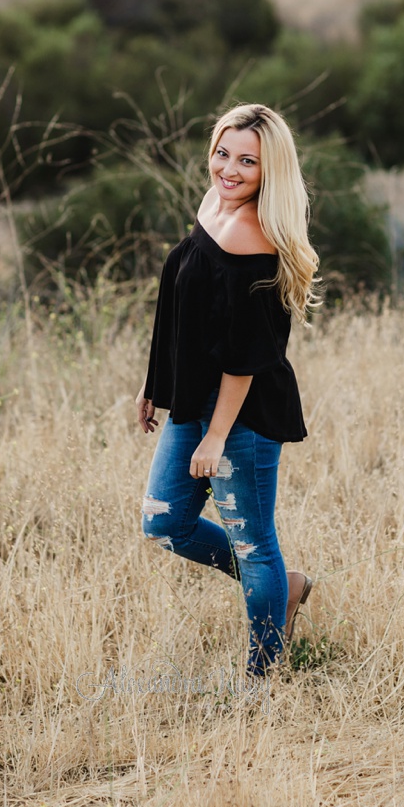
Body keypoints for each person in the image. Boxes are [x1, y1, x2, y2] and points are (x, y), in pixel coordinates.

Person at [137, 103, 318, 678]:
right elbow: (180, 301)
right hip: (192, 399)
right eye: (223, 153)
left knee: (255, 541)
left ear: (272, 171)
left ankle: (260, 681)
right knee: (164, 522)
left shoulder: (253, 237)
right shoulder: (214, 205)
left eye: (248, 161)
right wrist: (155, 384)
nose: (229, 170)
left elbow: (245, 357)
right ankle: (281, 587)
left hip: (242, 414)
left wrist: (215, 437)